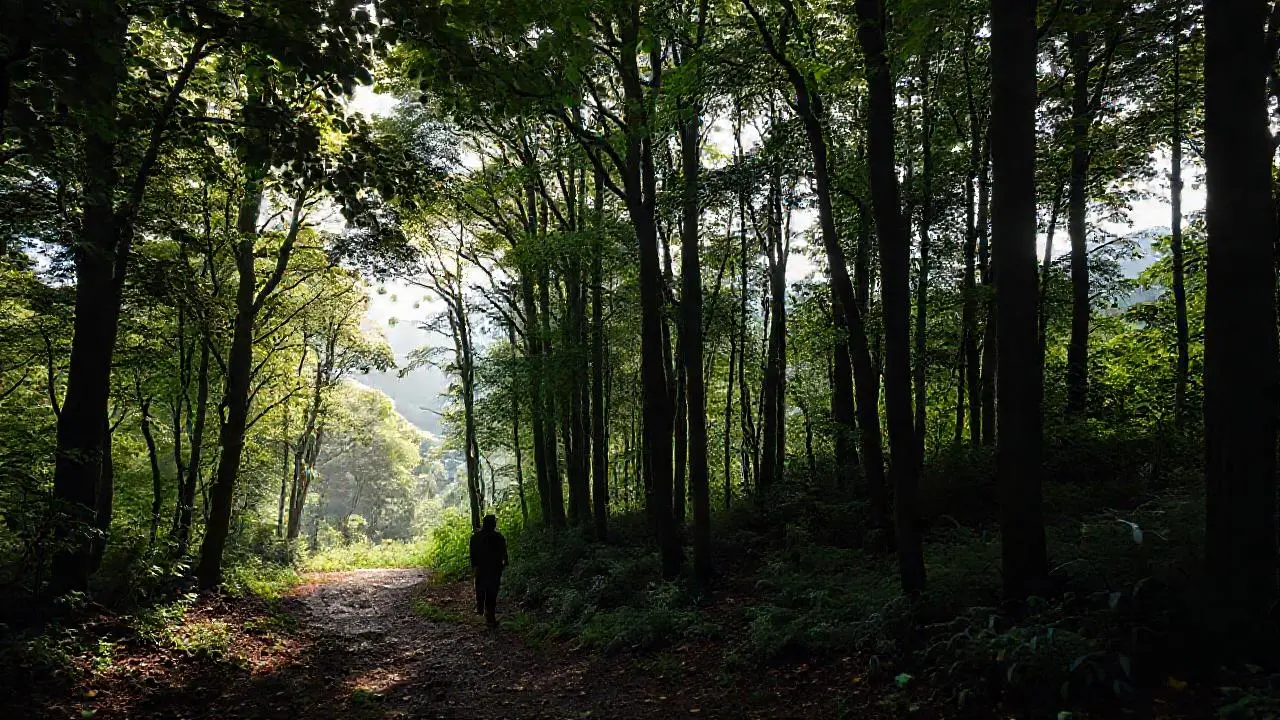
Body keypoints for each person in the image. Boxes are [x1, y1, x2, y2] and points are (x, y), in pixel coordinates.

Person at [469, 514, 508, 628]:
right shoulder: (499, 537)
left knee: (481, 588)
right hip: (494, 568)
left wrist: (474, 565)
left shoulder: (475, 537)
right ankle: (489, 615)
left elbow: (472, 554)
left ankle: (481, 609)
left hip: (481, 568)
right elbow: (504, 552)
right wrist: (505, 562)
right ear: (493, 524)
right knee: (492, 591)